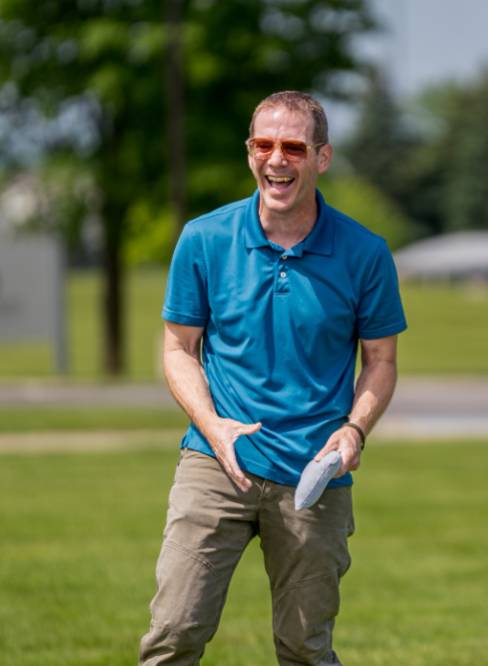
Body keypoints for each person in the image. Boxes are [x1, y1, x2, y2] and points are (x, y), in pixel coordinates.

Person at [139, 91, 407, 665]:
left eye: (293, 147)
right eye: (264, 145)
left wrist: (355, 430)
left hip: (314, 475)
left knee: (305, 649)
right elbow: (178, 349)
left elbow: (380, 361)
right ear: (249, 152)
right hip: (215, 463)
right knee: (174, 632)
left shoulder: (365, 253)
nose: (277, 159)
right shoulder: (204, 238)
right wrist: (212, 426)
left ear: (322, 157)